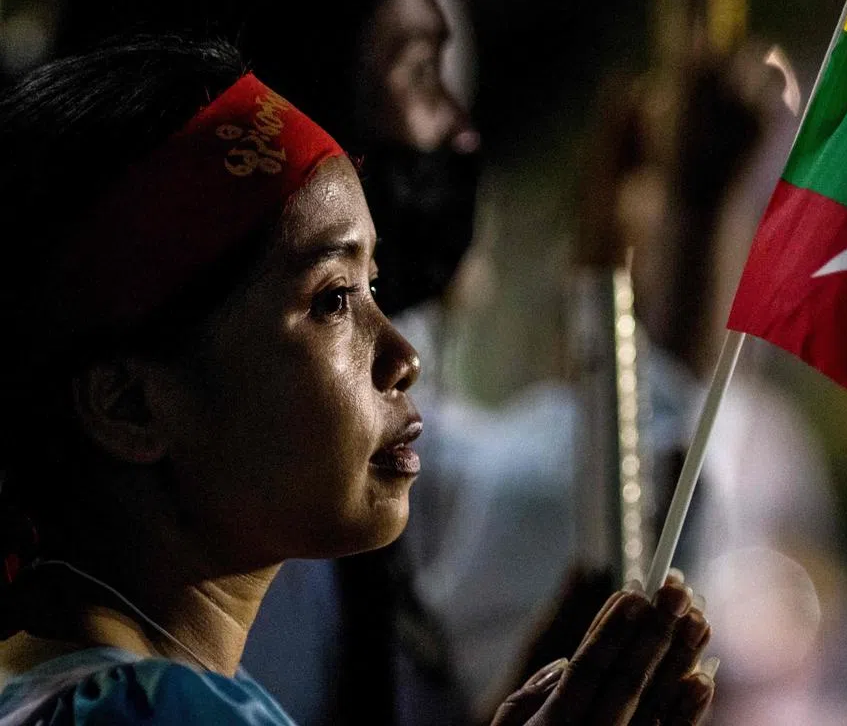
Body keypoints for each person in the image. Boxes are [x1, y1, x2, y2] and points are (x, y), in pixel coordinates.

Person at [0, 36, 715, 725]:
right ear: (129, 403)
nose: (404, 355)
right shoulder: (158, 711)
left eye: (374, 286)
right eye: (332, 299)